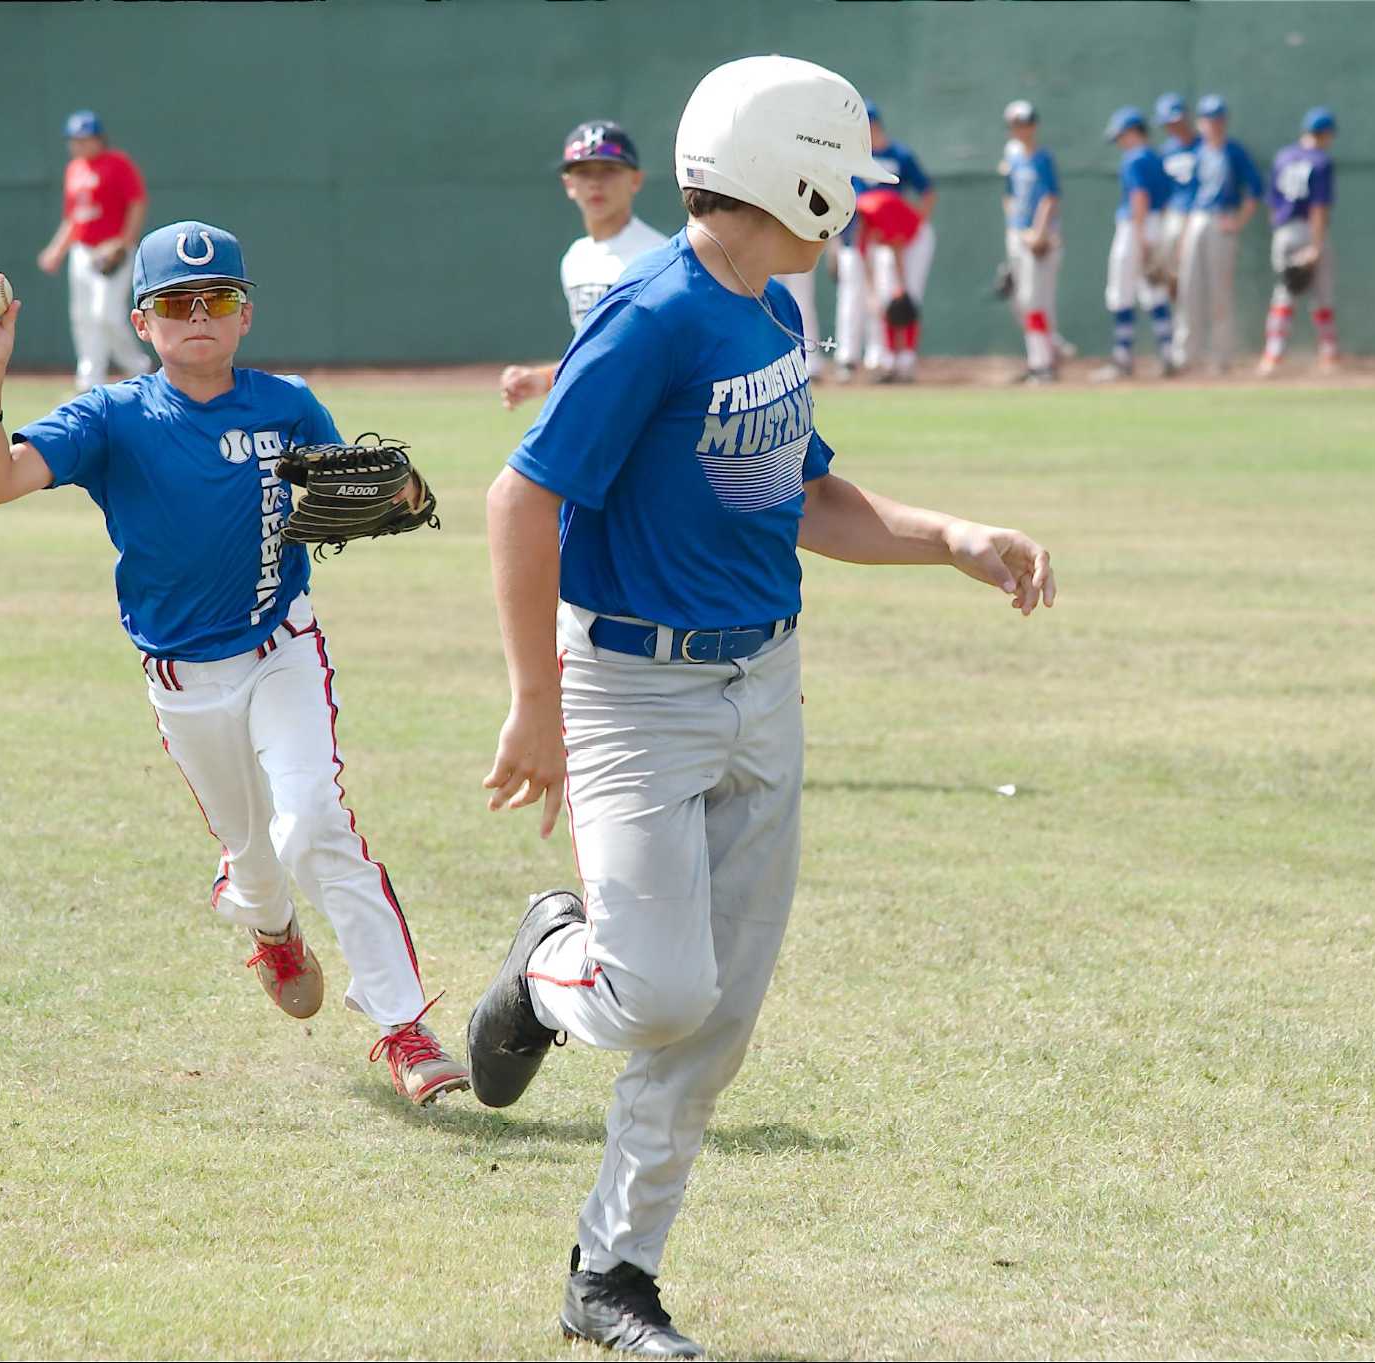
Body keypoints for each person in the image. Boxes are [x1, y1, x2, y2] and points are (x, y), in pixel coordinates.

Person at [468, 55, 1056, 1358]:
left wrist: (950, 534)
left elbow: (804, 497)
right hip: (632, 687)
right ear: (794, 174)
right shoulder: (652, 313)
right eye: (842, 171)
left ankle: (611, 1273)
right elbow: (524, 499)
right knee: (659, 986)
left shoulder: (775, 312)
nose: (852, 193)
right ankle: (544, 958)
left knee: (717, 1015)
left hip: (764, 679)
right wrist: (534, 702)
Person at [0, 220, 468, 1106]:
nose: (200, 314)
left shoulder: (287, 404)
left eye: (219, 299)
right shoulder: (113, 416)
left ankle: (403, 1026)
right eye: (176, 303)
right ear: (144, 323)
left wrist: (403, 494)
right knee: (255, 852)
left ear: (244, 316)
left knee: (314, 820)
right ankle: (270, 925)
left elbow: (363, 489)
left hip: (282, 651)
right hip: (184, 682)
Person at [500, 121, 670, 409]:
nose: (595, 183)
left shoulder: (659, 256)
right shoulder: (576, 258)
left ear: (636, 180)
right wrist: (542, 379)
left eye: (609, 170)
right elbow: (595, 355)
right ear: (569, 184)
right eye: (583, 172)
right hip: (596, 415)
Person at [36, 111, 153, 393]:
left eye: (86, 138)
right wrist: (56, 250)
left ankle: (138, 366)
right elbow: (73, 218)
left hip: (111, 252)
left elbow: (137, 202)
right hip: (82, 251)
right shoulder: (74, 169)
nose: (80, 145)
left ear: (100, 139)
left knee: (107, 314)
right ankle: (89, 378)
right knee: (83, 316)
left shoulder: (117, 164)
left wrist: (124, 241)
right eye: (75, 140)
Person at [831, 99, 935, 382]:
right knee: (875, 297)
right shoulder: (863, 218)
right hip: (885, 237)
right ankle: (881, 360)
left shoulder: (880, 210)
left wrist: (895, 285)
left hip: (907, 236)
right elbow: (864, 248)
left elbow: (897, 241)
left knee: (902, 294)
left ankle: (903, 360)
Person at [1176, 95, 1265, 374]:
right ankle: (1186, 355)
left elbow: (1255, 190)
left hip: (1222, 218)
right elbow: (1190, 196)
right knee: (1188, 288)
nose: (1212, 125)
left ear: (1224, 122)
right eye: (1207, 119)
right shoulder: (1198, 152)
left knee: (1220, 292)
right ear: (1200, 123)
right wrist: (1184, 233)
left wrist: (1239, 221)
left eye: (1217, 119)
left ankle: (1221, 356)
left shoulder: (1234, 152)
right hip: (1197, 219)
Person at [1092, 105, 1177, 383]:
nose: (1119, 141)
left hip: (1135, 227)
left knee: (1121, 291)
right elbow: (1164, 200)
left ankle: (1123, 359)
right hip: (1157, 224)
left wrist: (1140, 238)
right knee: (1153, 291)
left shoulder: (1134, 159)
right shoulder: (1156, 157)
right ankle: (1167, 354)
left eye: (1120, 135)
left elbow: (1139, 195)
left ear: (1132, 132)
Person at [1260, 107, 1341, 376]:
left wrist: (1280, 232)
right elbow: (1319, 208)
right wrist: (1315, 247)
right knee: (1321, 295)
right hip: (1308, 229)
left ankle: (1272, 356)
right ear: (1326, 133)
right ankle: (1329, 355)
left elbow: (1271, 203)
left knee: (1284, 293)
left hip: (1283, 232)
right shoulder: (1320, 161)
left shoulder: (1283, 157)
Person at [998, 99, 1067, 383]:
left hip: (1042, 239)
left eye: (1024, 124)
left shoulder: (1043, 158)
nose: (1020, 129)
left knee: (1036, 301)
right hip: (1018, 236)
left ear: (1034, 126)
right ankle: (1047, 354)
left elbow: (1051, 197)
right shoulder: (1012, 156)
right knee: (1023, 302)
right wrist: (1016, 229)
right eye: (1015, 125)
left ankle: (1043, 365)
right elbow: (1009, 196)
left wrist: (1037, 232)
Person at [1154, 91, 1201, 327]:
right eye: (1168, 122)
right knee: (1170, 277)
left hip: (1199, 216)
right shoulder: (1166, 152)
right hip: (1173, 216)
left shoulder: (1203, 147)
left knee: (1195, 277)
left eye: (1177, 120)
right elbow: (1161, 193)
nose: (1173, 126)